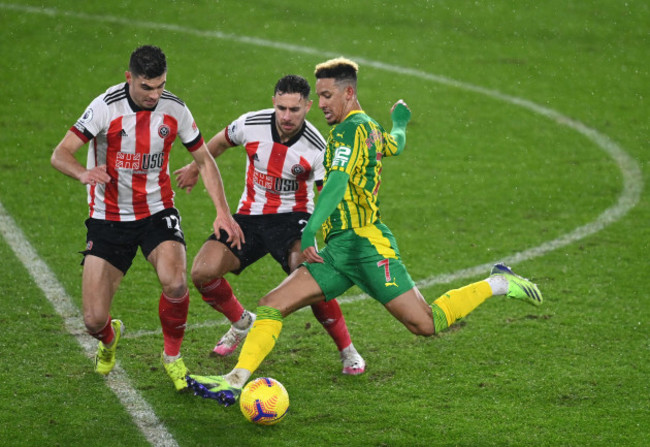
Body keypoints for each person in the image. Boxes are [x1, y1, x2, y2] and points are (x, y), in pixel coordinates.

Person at [186, 57, 543, 406]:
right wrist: (400, 121)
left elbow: (338, 182)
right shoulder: (369, 128)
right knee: (271, 304)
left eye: (326, 96)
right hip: (340, 249)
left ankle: (498, 282)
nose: (321, 105)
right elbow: (396, 144)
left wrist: (310, 231)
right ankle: (233, 382)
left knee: (425, 324)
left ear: (348, 93)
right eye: (320, 96)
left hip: (369, 245)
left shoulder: (346, 131)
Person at [50, 45, 244, 392]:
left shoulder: (175, 109)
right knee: (93, 320)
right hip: (108, 217)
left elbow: (203, 160)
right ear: (129, 78)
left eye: (161, 86)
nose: (155, 95)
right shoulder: (104, 108)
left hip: (157, 210)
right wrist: (82, 174)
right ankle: (109, 339)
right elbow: (60, 154)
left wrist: (222, 212)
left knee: (176, 281)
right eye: (147, 87)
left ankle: (172, 356)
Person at [173, 74, 365, 375]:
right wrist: (195, 168)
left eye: (295, 110)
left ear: (308, 106)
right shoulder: (251, 124)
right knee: (202, 273)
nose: (287, 116)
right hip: (249, 217)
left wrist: (330, 233)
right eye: (281, 108)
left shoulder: (318, 148)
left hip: (294, 220)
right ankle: (241, 323)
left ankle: (347, 350)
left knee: (311, 277)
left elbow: (326, 195)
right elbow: (220, 142)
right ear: (274, 103)